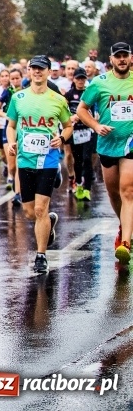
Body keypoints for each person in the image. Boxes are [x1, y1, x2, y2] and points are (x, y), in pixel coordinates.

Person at [6, 54, 73, 273]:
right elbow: (11, 125)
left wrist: (62, 138)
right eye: (33, 68)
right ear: (29, 71)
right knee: (28, 212)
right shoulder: (18, 98)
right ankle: (49, 224)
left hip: (48, 159)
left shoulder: (58, 99)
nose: (37, 72)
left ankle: (41, 255)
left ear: (48, 71)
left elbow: (68, 126)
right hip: (25, 159)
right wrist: (11, 142)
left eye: (41, 68)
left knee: (40, 208)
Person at [77, 42, 133, 263]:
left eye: (124, 56)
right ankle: (124, 225)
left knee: (127, 191)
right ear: (111, 60)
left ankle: (126, 243)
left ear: (130, 58)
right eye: (117, 56)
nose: (121, 60)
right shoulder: (99, 84)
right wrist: (96, 126)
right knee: (114, 193)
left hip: (130, 143)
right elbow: (82, 109)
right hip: (107, 144)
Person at [0, 68, 23, 205]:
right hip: (9, 128)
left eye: (18, 78)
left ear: (22, 78)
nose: (15, 81)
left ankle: (17, 193)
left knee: (18, 163)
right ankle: (11, 176)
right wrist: (6, 116)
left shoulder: (26, 91)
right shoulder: (7, 92)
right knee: (11, 165)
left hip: (23, 128)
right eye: (13, 79)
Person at [63, 67, 94, 200]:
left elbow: (96, 109)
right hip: (75, 132)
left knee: (87, 159)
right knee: (78, 160)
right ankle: (79, 185)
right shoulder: (69, 94)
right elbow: (64, 112)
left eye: (83, 78)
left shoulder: (89, 93)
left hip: (88, 131)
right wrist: (71, 117)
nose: (80, 81)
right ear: (74, 79)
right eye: (78, 78)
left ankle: (87, 189)